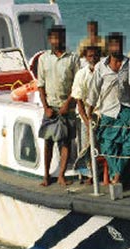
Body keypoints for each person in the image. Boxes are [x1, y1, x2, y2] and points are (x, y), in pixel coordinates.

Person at [37, 25, 80, 187]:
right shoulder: (43, 58)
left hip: (66, 107)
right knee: (48, 141)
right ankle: (46, 175)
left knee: (66, 141)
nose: (57, 41)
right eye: (54, 38)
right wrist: (45, 107)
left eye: (60, 38)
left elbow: (77, 85)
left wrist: (68, 104)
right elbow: (40, 85)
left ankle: (61, 175)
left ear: (64, 38)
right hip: (51, 107)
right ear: (50, 40)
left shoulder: (73, 58)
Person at [87, 32, 130, 185]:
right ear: (108, 47)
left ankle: (117, 174)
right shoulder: (101, 67)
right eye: (113, 45)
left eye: (118, 44)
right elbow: (94, 90)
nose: (116, 48)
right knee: (107, 145)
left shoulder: (129, 64)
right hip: (108, 110)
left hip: (127, 109)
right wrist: (89, 111)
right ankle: (117, 174)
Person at [71, 46, 101, 182]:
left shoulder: (104, 72)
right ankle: (88, 174)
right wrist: (85, 119)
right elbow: (78, 98)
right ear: (85, 57)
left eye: (95, 55)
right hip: (85, 115)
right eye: (90, 56)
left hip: (102, 113)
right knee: (85, 146)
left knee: (101, 145)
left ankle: (101, 173)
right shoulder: (81, 74)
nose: (93, 58)